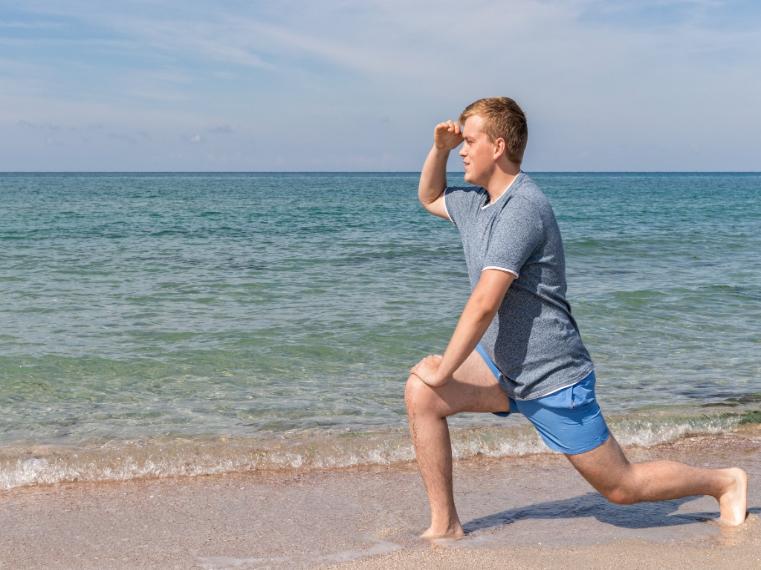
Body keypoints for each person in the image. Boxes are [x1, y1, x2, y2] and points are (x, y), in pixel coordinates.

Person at [405, 96, 748, 540]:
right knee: (422, 395)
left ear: (499, 145)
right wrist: (440, 149)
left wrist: (445, 369)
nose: (464, 150)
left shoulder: (523, 209)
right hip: (501, 365)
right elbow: (429, 195)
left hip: (551, 376)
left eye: (469, 141)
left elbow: (484, 303)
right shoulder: (476, 205)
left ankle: (723, 481)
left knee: (621, 488)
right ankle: (445, 524)